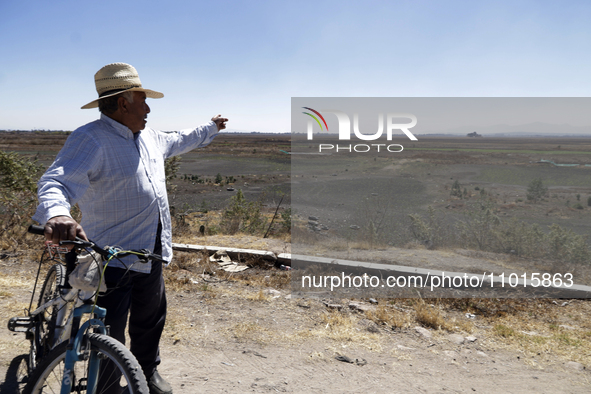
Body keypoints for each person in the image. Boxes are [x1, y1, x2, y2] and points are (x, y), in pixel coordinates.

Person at [32, 62, 227, 394]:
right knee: (109, 330)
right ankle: (109, 387)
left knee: (150, 320)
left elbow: (180, 139)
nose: (148, 108)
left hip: (149, 251)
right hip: (111, 259)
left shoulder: (149, 136)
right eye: (143, 99)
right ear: (123, 102)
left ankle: (147, 373)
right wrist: (58, 215)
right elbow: (56, 182)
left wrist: (211, 127)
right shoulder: (91, 139)